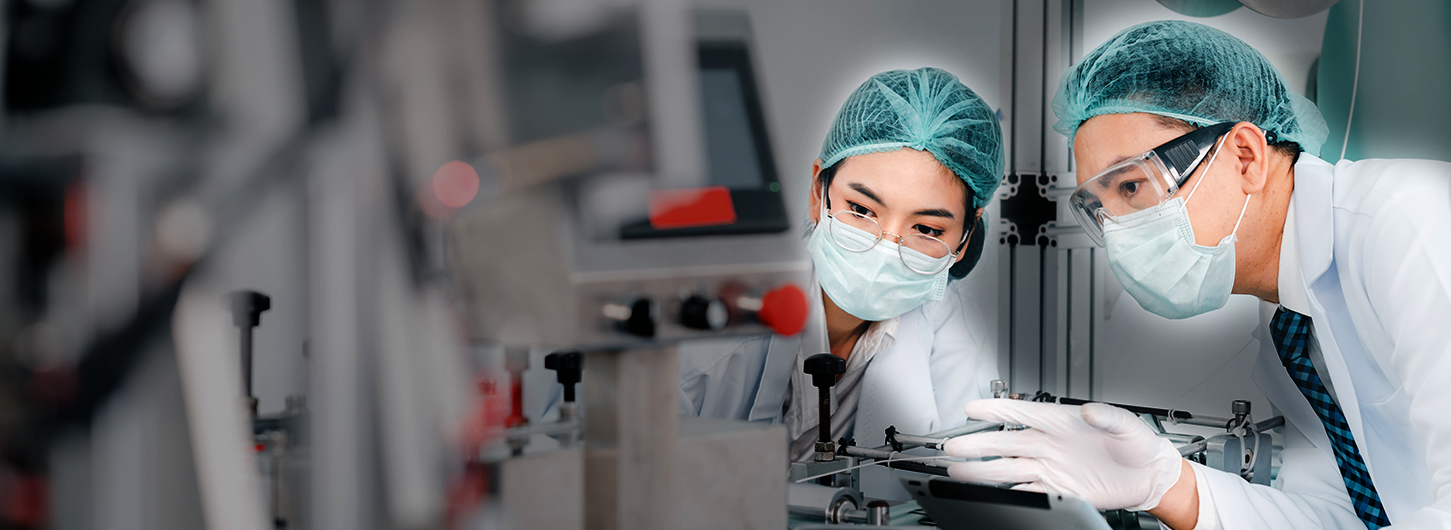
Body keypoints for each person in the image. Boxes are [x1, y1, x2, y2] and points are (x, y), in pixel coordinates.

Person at [942, 20, 1451, 530]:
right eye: (1099, 206)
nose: (1118, 229)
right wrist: (1169, 486)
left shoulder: (1410, 224)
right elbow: (1334, 518)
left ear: (1246, 157)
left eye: (1133, 187)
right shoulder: (1288, 331)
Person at [676, 67, 1004, 463]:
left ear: (965, 240)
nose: (886, 248)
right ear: (819, 194)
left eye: (928, 229)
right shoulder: (709, 339)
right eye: (861, 209)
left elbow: (968, 474)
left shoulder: (949, 331)